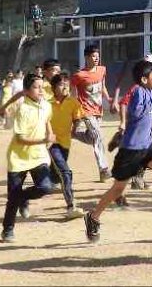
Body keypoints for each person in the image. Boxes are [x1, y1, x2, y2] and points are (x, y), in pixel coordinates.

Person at [84, 60, 152, 243]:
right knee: (117, 189)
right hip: (131, 150)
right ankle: (93, 217)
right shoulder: (138, 92)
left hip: (147, 145)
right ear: (144, 79)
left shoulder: (149, 91)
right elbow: (135, 113)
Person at [1, 73, 56, 242]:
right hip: (18, 158)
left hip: (39, 156)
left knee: (46, 186)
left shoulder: (46, 105)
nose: (41, 90)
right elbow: (19, 139)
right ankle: (8, 230)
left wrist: (50, 134)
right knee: (13, 197)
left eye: (42, 87)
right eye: (36, 87)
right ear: (26, 90)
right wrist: (43, 140)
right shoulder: (22, 108)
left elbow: (46, 120)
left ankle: (22, 198)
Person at [70, 45, 115, 182]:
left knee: (93, 138)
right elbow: (73, 93)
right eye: (94, 56)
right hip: (85, 110)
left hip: (98, 110)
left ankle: (75, 134)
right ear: (87, 57)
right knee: (98, 136)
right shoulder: (79, 75)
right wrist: (74, 111)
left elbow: (103, 87)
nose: (97, 58)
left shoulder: (102, 70)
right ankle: (103, 169)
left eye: (98, 56)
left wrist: (109, 99)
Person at [48, 73, 86, 220]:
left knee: (52, 179)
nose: (65, 87)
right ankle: (71, 206)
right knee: (65, 172)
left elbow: (77, 119)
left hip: (65, 144)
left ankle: (23, 197)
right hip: (51, 144)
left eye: (66, 84)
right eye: (61, 84)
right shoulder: (46, 104)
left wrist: (76, 128)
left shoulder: (73, 103)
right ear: (53, 88)